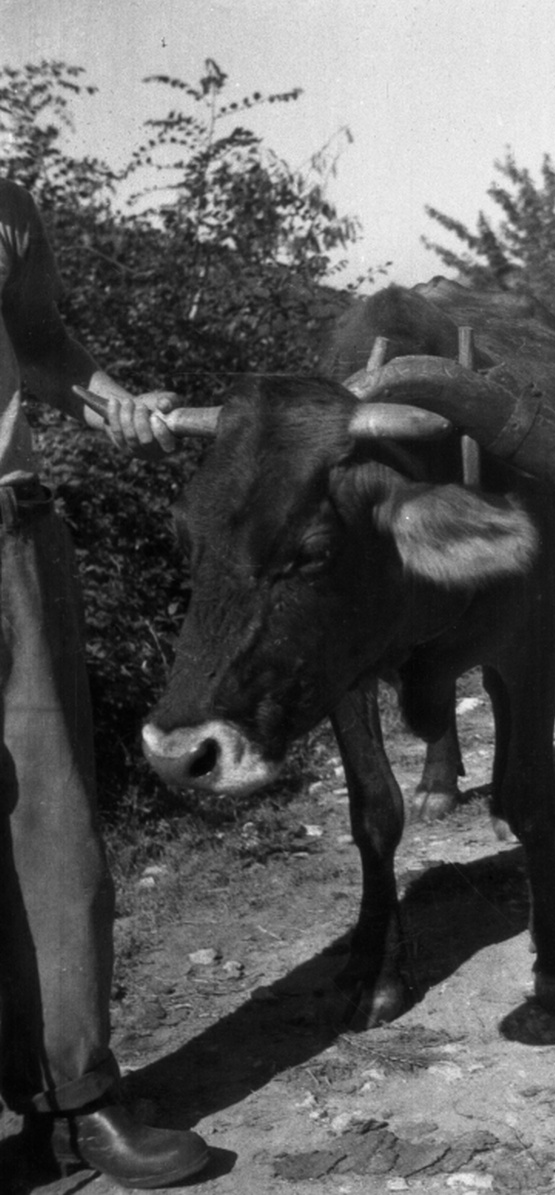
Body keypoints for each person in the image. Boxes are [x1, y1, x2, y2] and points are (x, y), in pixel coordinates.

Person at [0, 178, 209, 1188]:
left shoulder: (7, 204)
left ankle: (71, 1104)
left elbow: (40, 347)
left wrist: (114, 401)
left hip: (10, 539)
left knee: (50, 829)